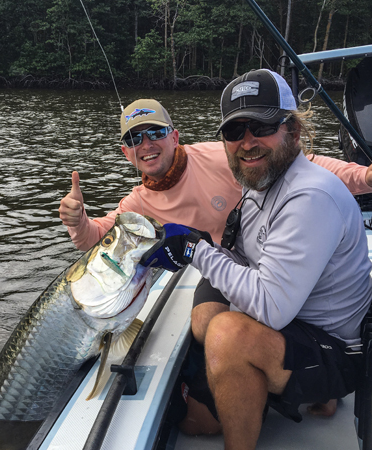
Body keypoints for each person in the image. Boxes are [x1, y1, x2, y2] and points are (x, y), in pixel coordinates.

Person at [59, 97, 372, 418]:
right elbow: (96, 239)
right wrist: (77, 221)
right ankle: (247, 388)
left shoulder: (218, 155)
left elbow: (308, 166)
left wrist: (365, 177)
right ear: (126, 153)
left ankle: (299, 387)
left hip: (269, 253)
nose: (146, 144)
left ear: (175, 136)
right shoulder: (136, 204)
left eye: (155, 133)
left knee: (277, 310)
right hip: (220, 266)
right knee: (203, 325)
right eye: (134, 139)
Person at [140, 69, 372, 449]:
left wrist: (193, 249)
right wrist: (202, 246)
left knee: (225, 336)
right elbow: (244, 255)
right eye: (234, 132)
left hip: (337, 350)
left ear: (292, 131)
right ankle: (290, 397)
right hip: (301, 318)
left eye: (261, 126)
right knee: (206, 318)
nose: (247, 143)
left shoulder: (310, 196)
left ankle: (253, 431)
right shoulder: (261, 182)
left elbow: (270, 307)